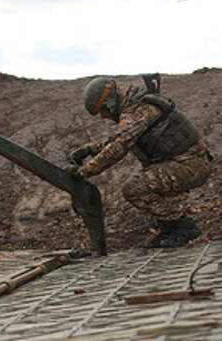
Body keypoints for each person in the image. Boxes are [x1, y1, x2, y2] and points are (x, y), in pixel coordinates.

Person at [69, 75, 213, 248]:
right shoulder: (133, 109)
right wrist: (90, 149)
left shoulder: (138, 110)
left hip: (191, 165)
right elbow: (120, 138)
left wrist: (84, 171)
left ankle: (183, 226)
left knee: (134, 188)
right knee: (143, 183)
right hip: (184, 163)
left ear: (110, 103)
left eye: (103, 111)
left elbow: (119, 146)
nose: (104, 117)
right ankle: (169, 228)